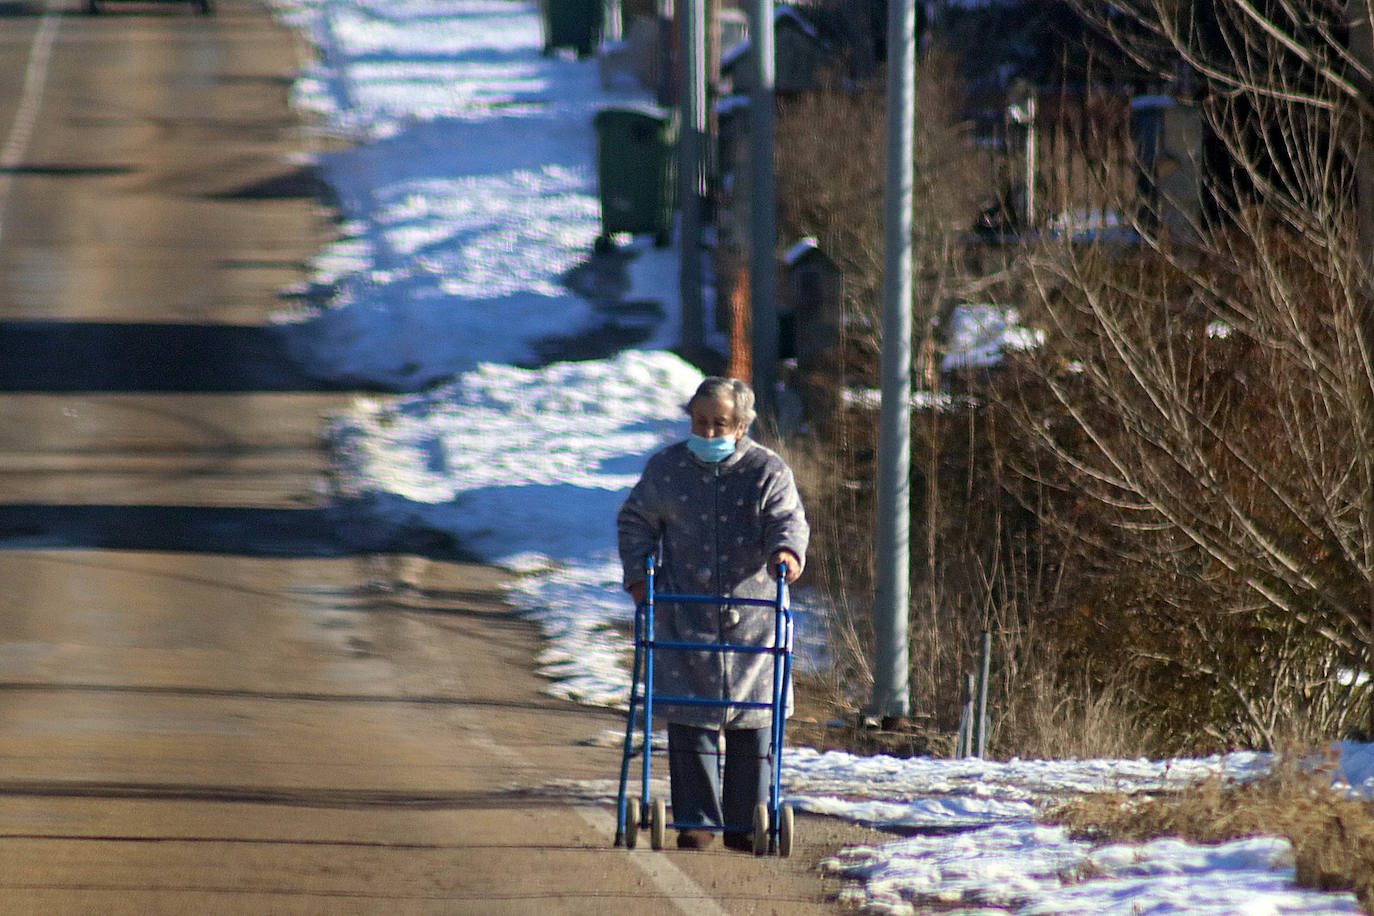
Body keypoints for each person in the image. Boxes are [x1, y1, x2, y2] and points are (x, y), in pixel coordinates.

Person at [616, 376, 809, 851]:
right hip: (686, 611)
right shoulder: (667, 469)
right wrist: (641, 578)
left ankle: (747, 824)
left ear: (741, 426)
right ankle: (696, 821)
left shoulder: (768, 471)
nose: (706, 434)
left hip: (755, 616)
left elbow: (787, 519)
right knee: (691, 719)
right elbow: (636, 520)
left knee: (754, 721)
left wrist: (785, 553)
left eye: (718, 424)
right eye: (699, 422)